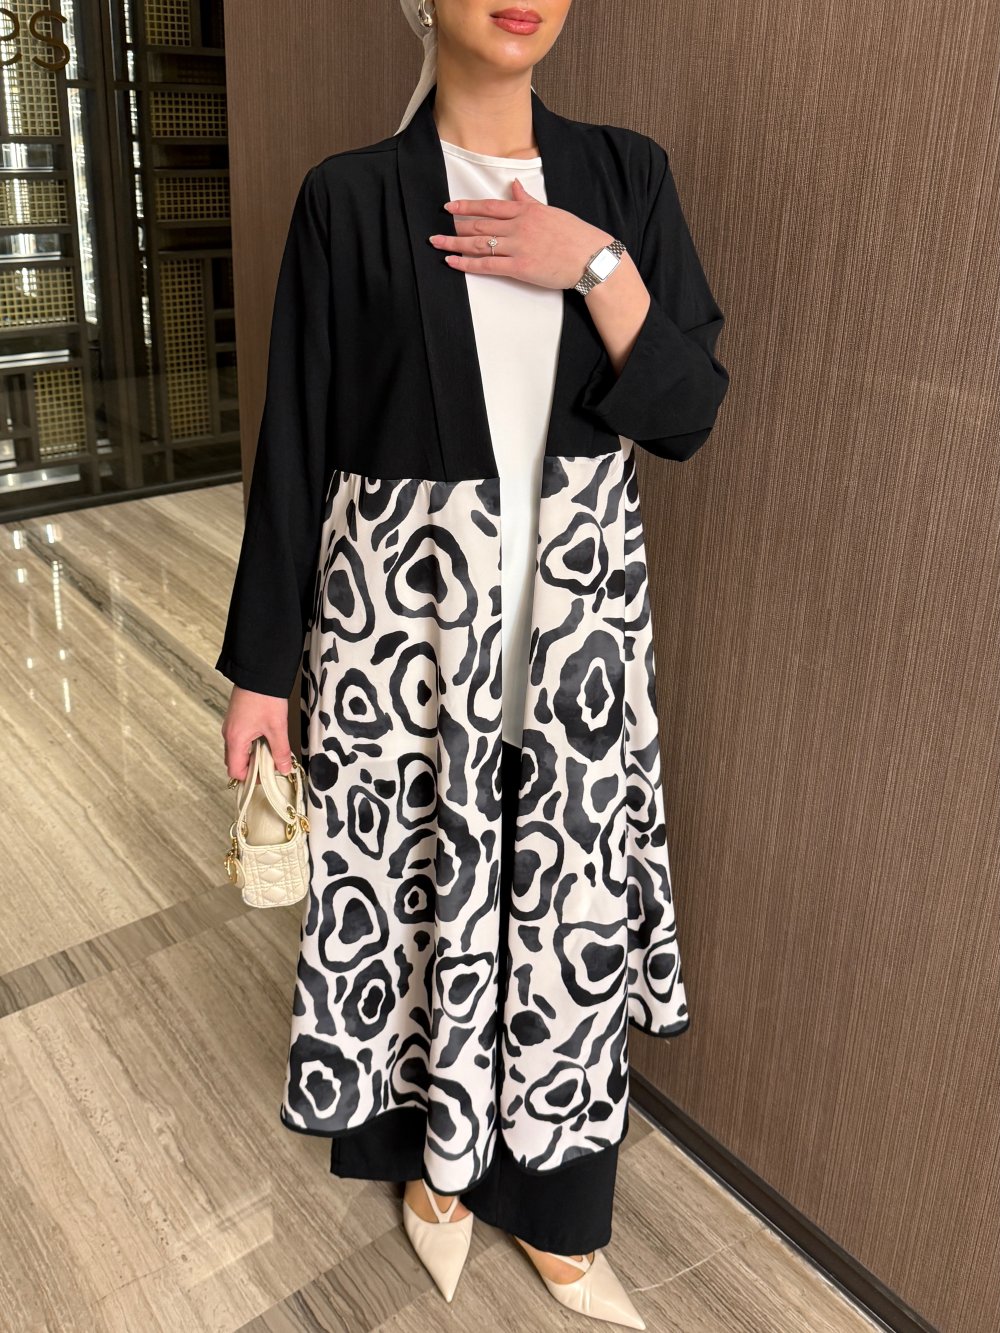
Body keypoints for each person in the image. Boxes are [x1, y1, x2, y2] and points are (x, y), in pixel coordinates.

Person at [217, 1, 729, 1325]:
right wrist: (262, 670)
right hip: (402, 642)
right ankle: (436, 1174)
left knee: (565, 916)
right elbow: (295, 439)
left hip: (576, 648)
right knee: (418, 901)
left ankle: (559, 1210)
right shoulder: (350, 199)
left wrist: (592, 262)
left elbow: (686, 414)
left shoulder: (625, 176)